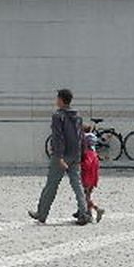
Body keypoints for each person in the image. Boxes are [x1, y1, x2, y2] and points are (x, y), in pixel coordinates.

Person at [29, 88, 90, 226]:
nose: (56, 100)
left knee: (51, 185)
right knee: (77, 185)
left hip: (61, 156)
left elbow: (58, 138)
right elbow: (81, 137)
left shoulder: (58, 116)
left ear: (61, 100)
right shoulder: (78, 116)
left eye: (57, 98)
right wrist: (80, 155)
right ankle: (84, 213)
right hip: (75, 155)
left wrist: (59, 157)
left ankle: (41, 214)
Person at [81, 125, 104, 223]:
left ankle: (97, 209)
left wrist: (78, 164)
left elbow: (86, 165)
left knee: (84, 196)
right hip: (93, 177)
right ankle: (89, 214)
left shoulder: (87, 153)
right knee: (88, 195)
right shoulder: (94, 153)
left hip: (87, 177)